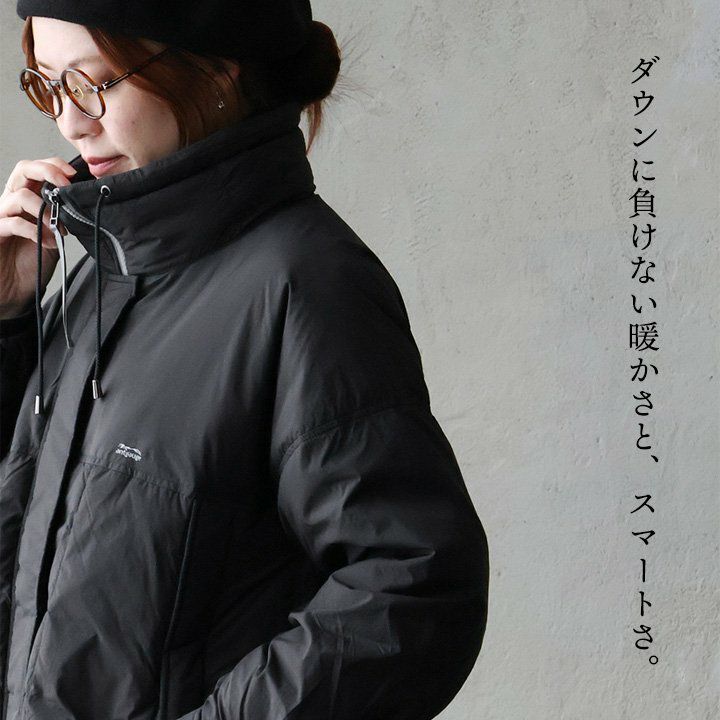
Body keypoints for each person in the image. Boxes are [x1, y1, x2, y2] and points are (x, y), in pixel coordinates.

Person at [0, 2, 490, 719]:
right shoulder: (98, 276)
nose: (70, 122)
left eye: (92, 83)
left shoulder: (306, 284)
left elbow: (414, 587)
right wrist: (8, 321)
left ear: (215, 70)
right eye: (48, 85)